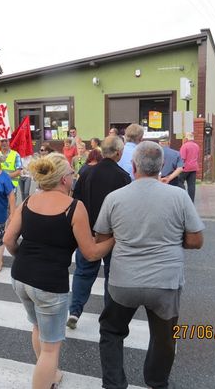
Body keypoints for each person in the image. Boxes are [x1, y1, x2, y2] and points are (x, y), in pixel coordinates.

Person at [94, 141, 204, 389]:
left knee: (111, 331)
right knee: (164, 338)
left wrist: (125, 236)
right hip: (165, 282)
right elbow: (196, 240)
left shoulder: (114, 198)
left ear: (133, 166)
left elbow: (101, 239)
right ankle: (156, 382)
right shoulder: (179, 195)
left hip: (123, 281)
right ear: (162, 166)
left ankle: (114, 384)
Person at [3, 153, 114, 389]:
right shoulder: (74, 207)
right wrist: (114, 239)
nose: (74, 178)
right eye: (72, 174)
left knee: (38, 328)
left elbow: (9, 239)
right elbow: (92, 252)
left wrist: (21, 256)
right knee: (51, 347)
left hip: (20, 277)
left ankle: (50, 375)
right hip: (50, 284)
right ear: (64, 179)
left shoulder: (29, 201)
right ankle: (47, 378)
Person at [67, 136, 130, 329]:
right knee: (112, 274)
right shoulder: (123, 177)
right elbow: (125, 210)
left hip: (88, 232)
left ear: (102, 152)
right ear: (119, 153)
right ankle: (108, 315)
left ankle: (75, 311)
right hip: (112, 236)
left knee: (83, 272)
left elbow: (75, 201)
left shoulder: (87, 172)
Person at [179, 132, 200, 202]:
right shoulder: (196, 146)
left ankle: (184, 197)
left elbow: (182, 158)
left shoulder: (185, 146)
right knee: (191, 185)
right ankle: (191, 201)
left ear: (186, 138)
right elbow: (197, 156)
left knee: (179, 181)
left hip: (185, 168)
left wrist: (178, 167)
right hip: (194, 168)